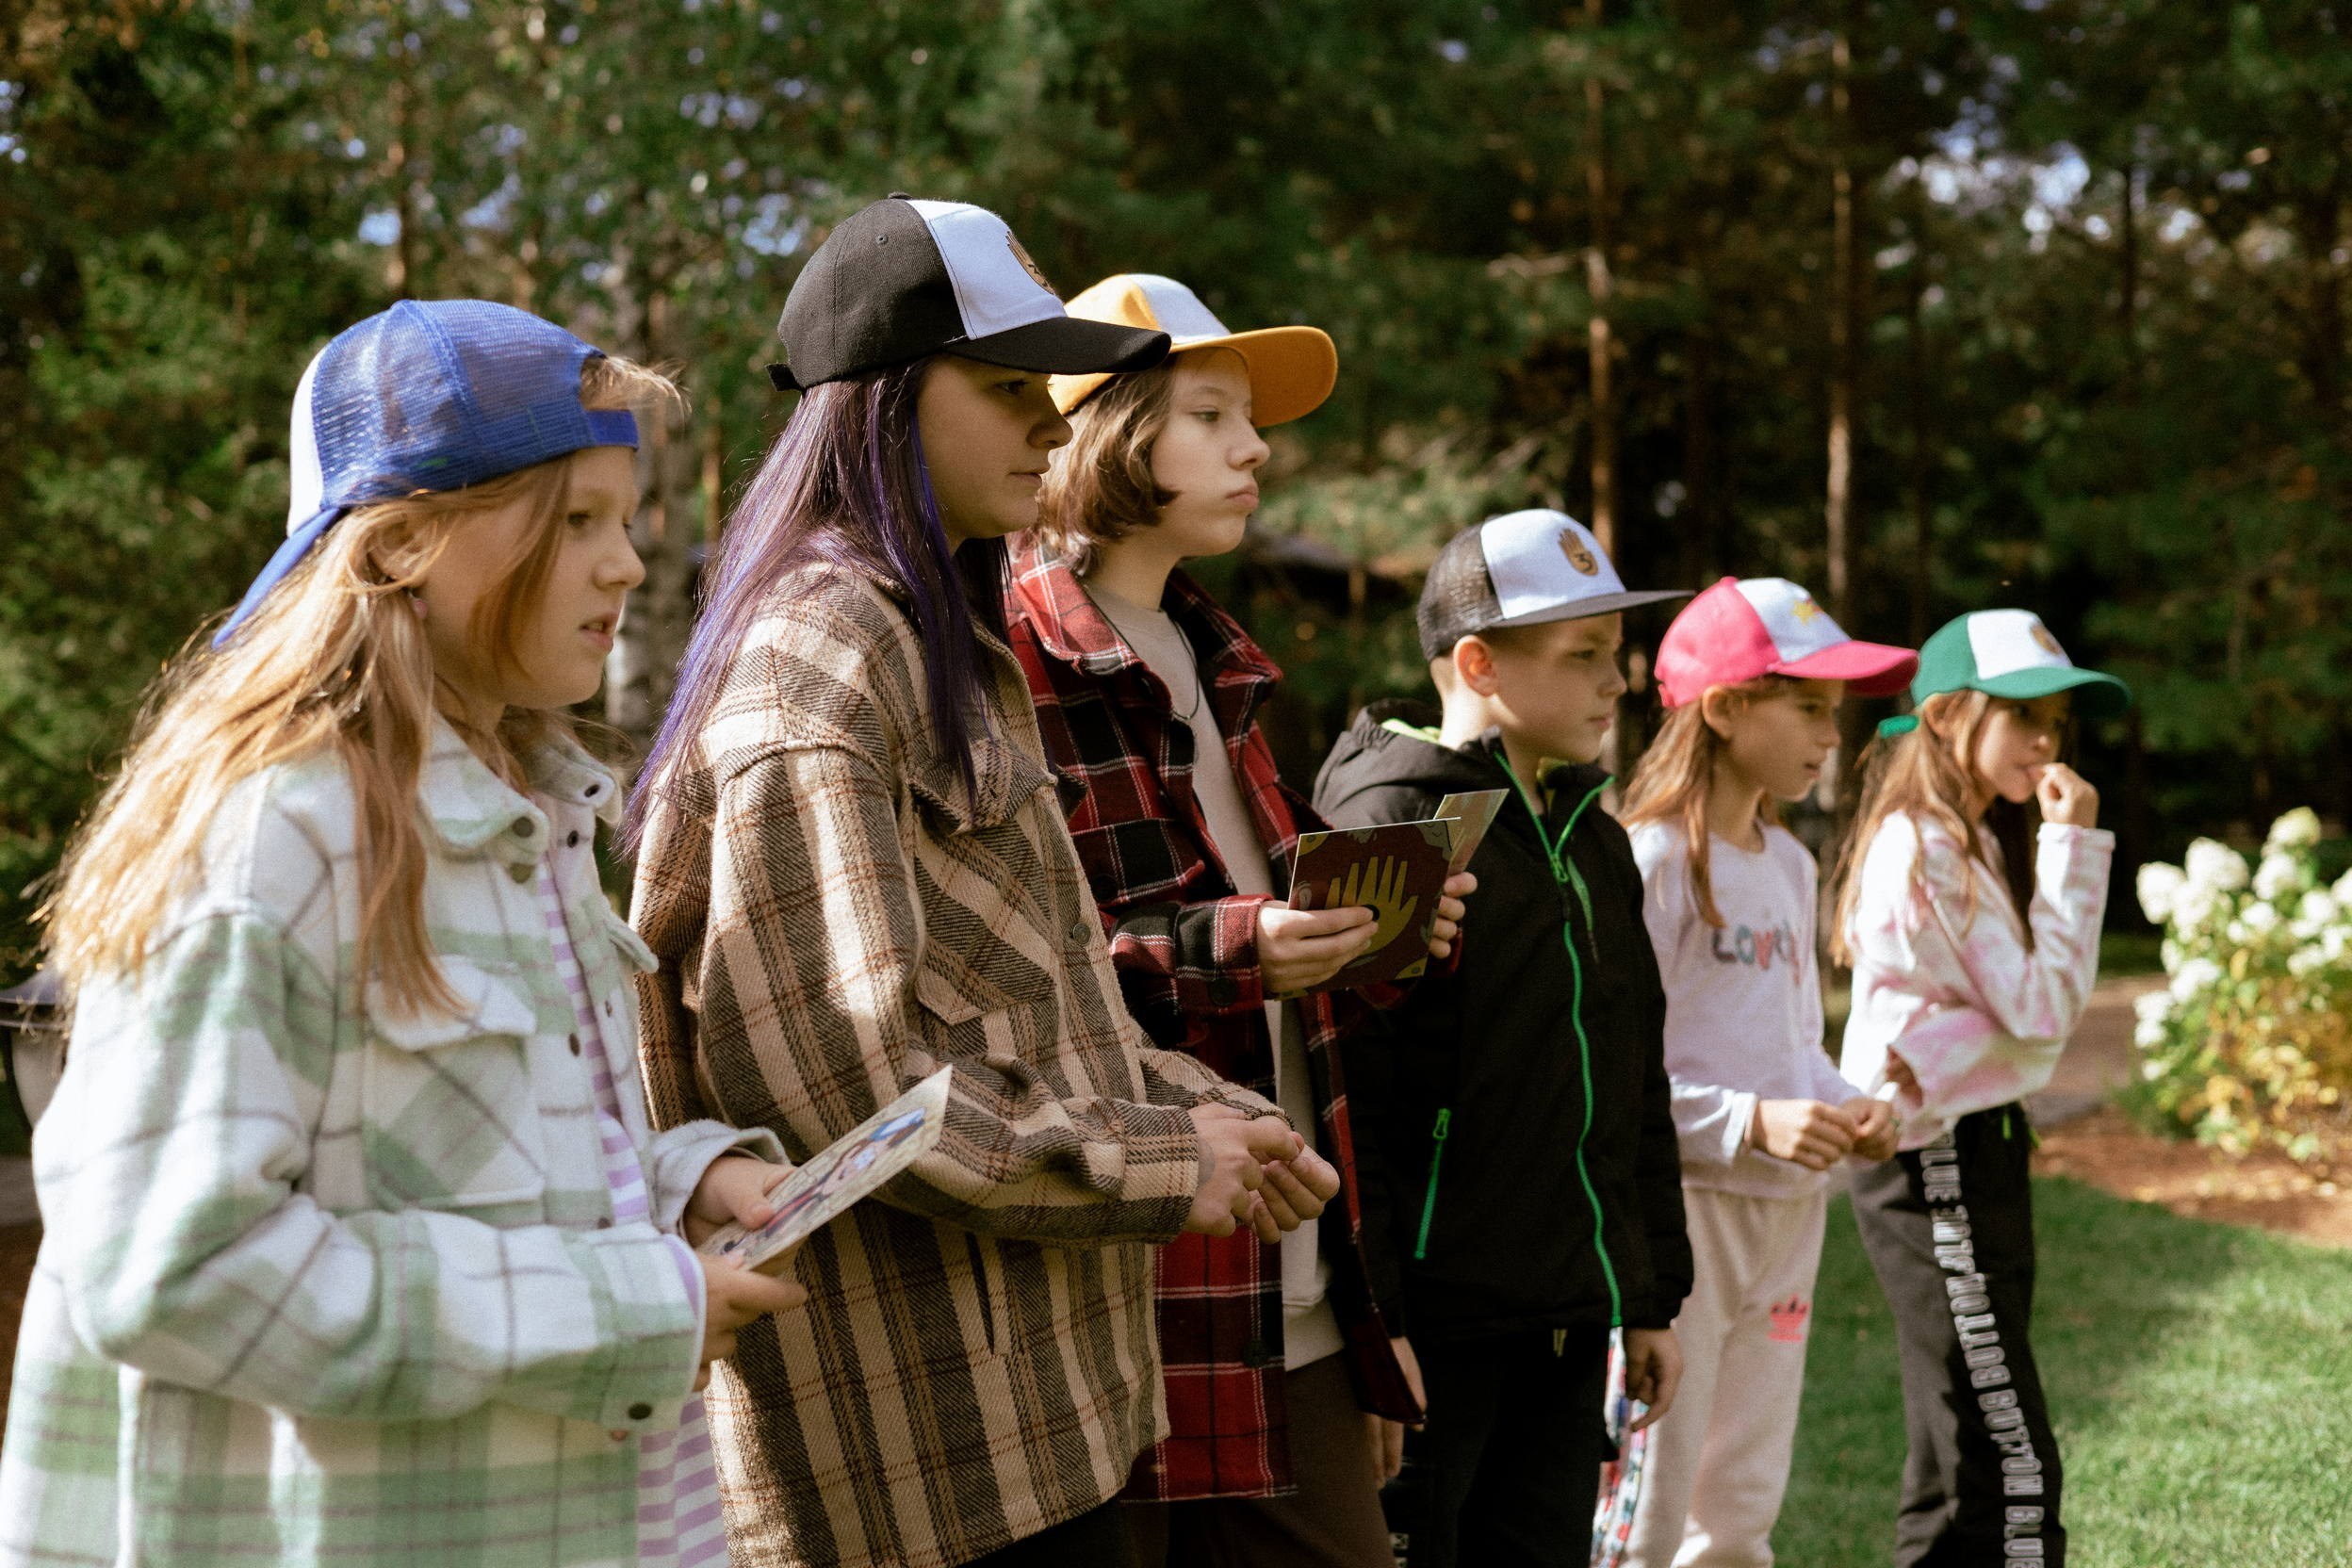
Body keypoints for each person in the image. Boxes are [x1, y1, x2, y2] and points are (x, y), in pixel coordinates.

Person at [0, 300, 807, 1568]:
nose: (630, 565)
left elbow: (462, 1154)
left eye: (627, 517)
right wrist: (621, 1308)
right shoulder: (284, 831)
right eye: (577, 519)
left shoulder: (527, 817)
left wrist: (676, 1184)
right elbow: (165, 1264)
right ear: (404, 548)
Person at [626, 198, 1330, 1568]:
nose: (1054, 426)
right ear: (884, 403)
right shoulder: (822, 669)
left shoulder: (932, 637)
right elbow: (850, 1080)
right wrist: (1163, 1156)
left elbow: (1029, 999)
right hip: (914, 1470)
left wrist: (1207, 1107)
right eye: (1009, 389)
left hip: (1030, 1422)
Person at [1005, 272, 1471, 1568]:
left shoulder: (1221, 660)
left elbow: (1280, 998)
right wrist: (1240, 946)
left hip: (1297, 1302)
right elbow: (1018, 981)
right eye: (1211, 415)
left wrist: (1374, 941)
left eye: (1248, 420)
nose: (1256, 448)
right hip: (1129, 1306)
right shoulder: (1011, 663)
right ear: (1107, 429)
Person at [1311, 509, 1694, 1568]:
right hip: (1437, 1333)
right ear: (1477, 661)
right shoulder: (1390, 823)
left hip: (1570, 1315)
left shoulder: (1597, 840)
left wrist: (1648, 1290)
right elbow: (1350, 1095)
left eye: (1614, 654)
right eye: (1582, 657)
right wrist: (1374, 1319)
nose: (1617, 683)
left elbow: (1633, 1078)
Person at [1615, 577, 1913, 1566]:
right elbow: (1616, 1076)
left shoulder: (1786, 862)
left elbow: (1793, 1048)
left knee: (1743, 1495)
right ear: (1726, 705)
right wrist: (1748, 1122)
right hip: (1688, 1220)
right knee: (1653, 1488)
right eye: (1812, 707)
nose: (1834, 735)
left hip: (1790, 1214)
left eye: (1837, 711)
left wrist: (1846, 1105)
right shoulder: (1648, 859)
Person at [1826, 609, 2131, 1568]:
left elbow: (2023, 1020)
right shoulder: (1927, 847)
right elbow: (2041, 1008)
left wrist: (1998, 1042)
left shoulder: (1964, 838)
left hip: (1967, 1140)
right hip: (1934, 1156)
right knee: (2008, 1453)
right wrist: (2074, 849)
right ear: (1953, 716)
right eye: (2025, 715)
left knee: (1957, 1445)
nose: (2047, 741)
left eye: (2057, 721)